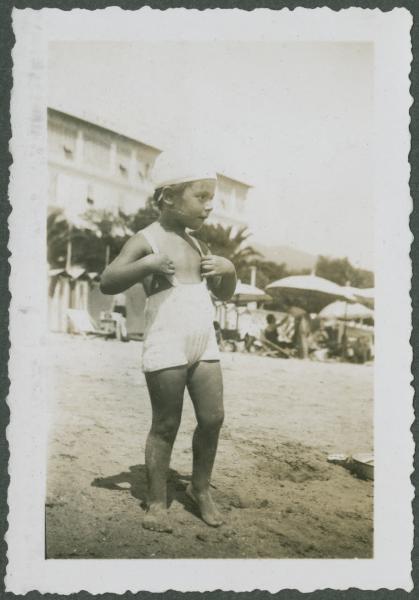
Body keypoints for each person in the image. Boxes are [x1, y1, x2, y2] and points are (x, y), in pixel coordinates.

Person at [100, 154, 237, 533]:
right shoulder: (146, 239)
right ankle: (157, 500)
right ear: (169, 199)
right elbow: (108, 281)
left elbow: (223, 295)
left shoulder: (197, 243)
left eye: (212, 198)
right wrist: (146, 266)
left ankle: (200, 488)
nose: (209, 206)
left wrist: (230, 271)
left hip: (202, 340)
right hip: (167, 341)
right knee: (166, 423)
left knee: (213, 418)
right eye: (202, 197)